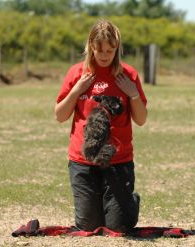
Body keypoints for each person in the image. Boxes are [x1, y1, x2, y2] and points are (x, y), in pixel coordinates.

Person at [54, 19, 148, 233]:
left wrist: (133, 93)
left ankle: (128, 201)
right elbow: (60, 116)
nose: (105, 55)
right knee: (88, 227)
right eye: (99, 49)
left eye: (110, 50)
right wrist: (76, 90)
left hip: (118, 162)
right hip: (83, 162)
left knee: (118, 228)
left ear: (117, 48)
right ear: (90, 47)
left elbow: (141, 120)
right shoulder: (77, 73)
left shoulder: (128, 75)